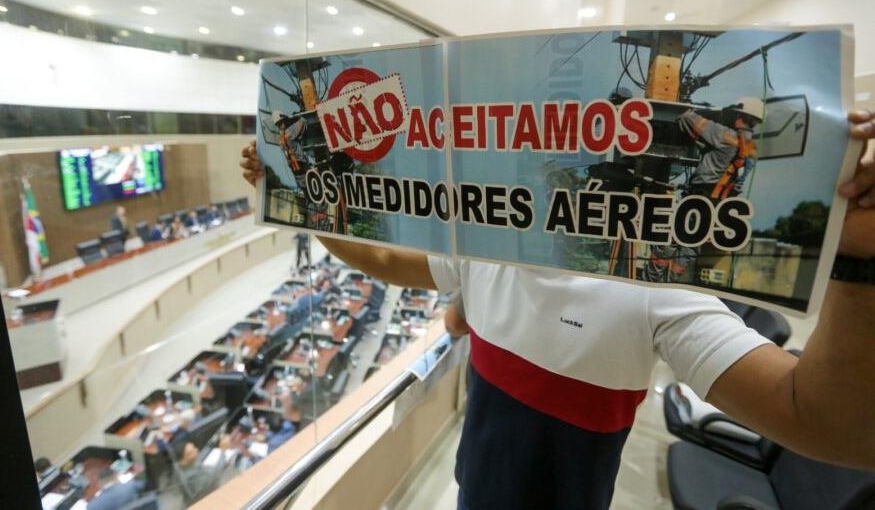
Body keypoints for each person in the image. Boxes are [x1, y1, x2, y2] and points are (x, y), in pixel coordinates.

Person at [242, 111, 875, 510]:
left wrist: (858, 260)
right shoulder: (485, 252)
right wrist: (287, 193)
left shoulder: (657, 289)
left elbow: (825, 423)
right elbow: (381, 259)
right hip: (475, 485)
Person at [644, 97, 764, 282]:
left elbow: (686, 118)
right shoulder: (752, 148)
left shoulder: (723, 134)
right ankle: (671, 283)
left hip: (697, 198)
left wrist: (704, 111)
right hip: (718, 205)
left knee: (670, 239)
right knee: (691, 245)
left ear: (739, 115)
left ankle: (649, 282)